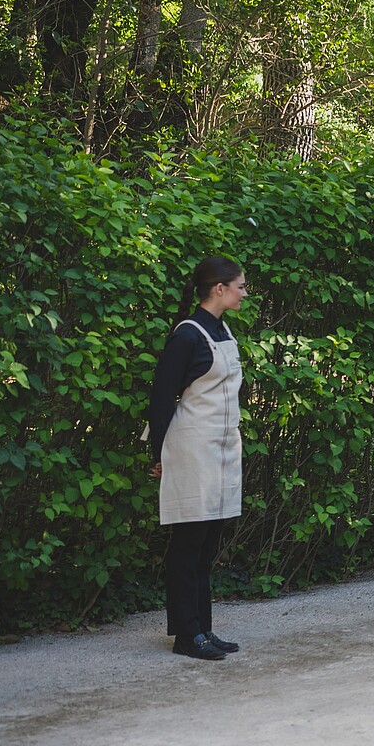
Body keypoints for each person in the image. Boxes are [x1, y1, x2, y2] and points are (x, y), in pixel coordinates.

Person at [148, 256, 249, 660]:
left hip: (221, 449)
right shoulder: (187, 335)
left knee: (207, 545)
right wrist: (159, 454)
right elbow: (161, 398)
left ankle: (203, 628)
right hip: (191, 450)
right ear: (219, 289)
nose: (245, 293)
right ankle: (186, 636)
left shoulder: (222, 329)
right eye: (240, 286)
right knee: (188, 545)